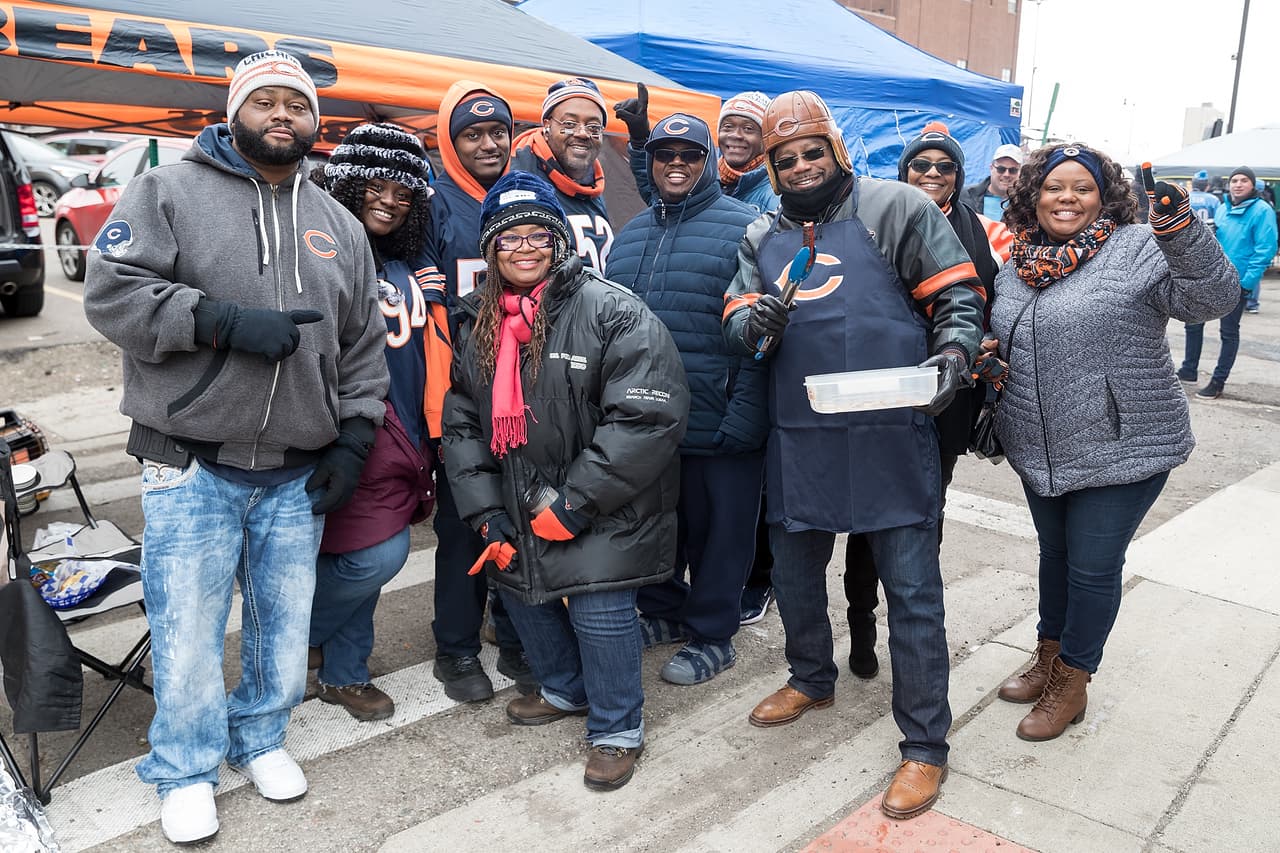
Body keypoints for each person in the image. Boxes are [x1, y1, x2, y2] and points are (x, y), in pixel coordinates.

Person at [82, 51, 389, 844]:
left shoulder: (340, 224)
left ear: (317, 121)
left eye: (297, 103)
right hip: (189, 456)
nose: (282, 115)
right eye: (266, 102)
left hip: (296, 470)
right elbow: (111, 291)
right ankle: (184, 768)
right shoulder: (167, 191)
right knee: (186, 630)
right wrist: (216, 319)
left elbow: (361, 349)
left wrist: (353, 437)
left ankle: (260, 738)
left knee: (283, 631)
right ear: (234, 111)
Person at [722, 91, 985, 821]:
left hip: (892, 434)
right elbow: (738, 321)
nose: (802, 167)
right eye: (786, 158)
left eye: (812, 152)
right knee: (798, 575)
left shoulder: (898, 208)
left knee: (912, 595)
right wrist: (755, 322)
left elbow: (960, 298)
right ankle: (811, 674)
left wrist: (954, 358)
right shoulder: (761, 232)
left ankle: (926, 743)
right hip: (801, 435)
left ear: (835, 151)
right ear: (772, 169)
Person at [442, 171, 689, 791]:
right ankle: (564, 689)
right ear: (491, 251)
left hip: (603, 505)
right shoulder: (476, 319)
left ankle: (616, 729)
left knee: (601, 611)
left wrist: (577, 502)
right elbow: (464, 421)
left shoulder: (611, 309)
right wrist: (484, 511)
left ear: (558, 241)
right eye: (508, 239)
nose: (524, 248)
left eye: (537, 235)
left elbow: (647, 414)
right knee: (525, 597)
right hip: (518, 496)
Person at [990, 145, 1238, 743]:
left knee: (1093, 570)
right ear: (1034, 194)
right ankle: (1049, 656)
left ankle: (1072, 682)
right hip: (1039, 444)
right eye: (1054, 187)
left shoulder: (1138, 248)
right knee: (1055, 558)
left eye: (1083, 187)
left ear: (1105, 196)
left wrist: (1182, 233)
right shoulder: (1017, 258)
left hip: (1123, 444)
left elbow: (1212, 300)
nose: (1067, 197)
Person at [839, 120, 1009, 681]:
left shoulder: (974, 231)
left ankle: (910, 631)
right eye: (921, 165)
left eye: (945, 168)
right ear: (903, 171)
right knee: (870, 515)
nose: (932, 175)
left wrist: (980, 344)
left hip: (947, 398)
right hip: (886, 392)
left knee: (924, 517)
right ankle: (860, 629)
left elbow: (984, 302)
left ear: (960, 178)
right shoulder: (877, 222)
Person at [608, 113, 766, 685]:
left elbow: (766, 333)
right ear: (650, 161)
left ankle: (713, 633)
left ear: (708, 162)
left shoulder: (748, 228)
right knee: (658, 526)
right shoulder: (630, 236)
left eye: (690, 154)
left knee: (720, 534)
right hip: (647, 423)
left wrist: (748, 413)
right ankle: (668, 610)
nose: (676, 163)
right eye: (665, 154)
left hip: (719, 417)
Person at [306, 123, 437, 722]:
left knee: (357, 556)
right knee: (374, 556)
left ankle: (344, 674)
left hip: (406, 428)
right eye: (375, 186)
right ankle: (294, 640)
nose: (389, 200)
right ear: (347, 184)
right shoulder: (321, 254)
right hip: (349, 429)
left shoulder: (406, 262)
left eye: (403, 193)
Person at [427, 81, 534, 702]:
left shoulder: (520, 197)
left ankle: (519, 637)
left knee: (519, 516)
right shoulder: (436, 205)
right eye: (473, 133)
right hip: (464, 392)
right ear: (450, 140)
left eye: (499, 131)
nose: (490, 144)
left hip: (523, 391)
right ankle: (457, 648)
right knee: (464, 524)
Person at [1179, 165, 1277, 397]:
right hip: (1211, 278)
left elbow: (1266, 249)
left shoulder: (1262, 211)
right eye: (1234, 180)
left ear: (1253, 185)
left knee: (1228, 332)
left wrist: (1248, 282)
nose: (1238, 184)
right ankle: (1188, 369)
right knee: (1193, 323)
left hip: (1238, 281)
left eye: (1244, 180)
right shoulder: (1222, 208)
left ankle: (1218, 381)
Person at [616, 86, 778, 215]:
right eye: (728, 127)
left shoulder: (774, 195)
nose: (736, 135)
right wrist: (639, 137)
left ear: (765, 138)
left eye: (748, 129)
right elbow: (660, 195)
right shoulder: (706, 178)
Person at [511, 78, 614, 271]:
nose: (583, 133)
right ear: (547, 126)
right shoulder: (519, 180)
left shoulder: (591, 183)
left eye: (593, 127)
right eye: (569, 123)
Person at [961, 143, 1022, 222]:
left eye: (1013, 170)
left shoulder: (1025, 204)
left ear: (1019, 172)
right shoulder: (965, 196)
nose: (1006, 174)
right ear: (991, 168)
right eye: (1001, 169)